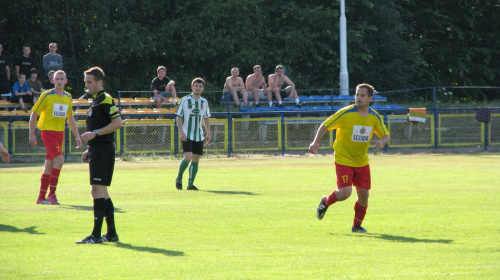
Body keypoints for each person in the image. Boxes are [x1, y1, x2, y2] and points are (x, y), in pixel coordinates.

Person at [309, 83, 390, 233]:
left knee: (364, 195)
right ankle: (325, 202)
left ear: (370, 98)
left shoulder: (374, 117)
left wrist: (381, 141)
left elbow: (386, 135)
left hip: (361, 161)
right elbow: (325, 125)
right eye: (357, 94)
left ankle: (356, 226)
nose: (358, 98)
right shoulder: (345, 113)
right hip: (343, 158)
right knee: (345, 193)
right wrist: (315, 142)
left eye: (362, 95)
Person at [76, 66, 122, 244]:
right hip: (97, 149)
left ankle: (96, 235)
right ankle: (111, 233)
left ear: (99, 82)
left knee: (97, 190)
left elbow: (117, 123)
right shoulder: (96, 100)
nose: (86, 86)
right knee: (102, 191)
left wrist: (94, 133)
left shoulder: (106, 99)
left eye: (90, 82)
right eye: (85, 82)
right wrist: (90, 147)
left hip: (103, 150)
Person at [29, 70, 82, 205]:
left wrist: (77, 136)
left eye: (61, 78)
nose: (59, 81)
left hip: (60, 133)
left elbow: (70, 118)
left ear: (66, 81)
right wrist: (31, 133)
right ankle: (52, 195)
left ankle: (41, 197)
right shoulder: (47, 95)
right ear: (53, 80)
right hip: (47, 132)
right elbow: (34, 113)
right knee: (60, 161)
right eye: (57, 78)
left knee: (49, 165)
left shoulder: (68, 97)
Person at [175, 78, 211, 191]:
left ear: (203, 88)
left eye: (200, 86)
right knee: (188, 157)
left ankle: (190, 185)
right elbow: (179, 117)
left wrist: (208, 133)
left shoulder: (204, 102)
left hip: (198, 135)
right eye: (196, 85)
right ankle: (179, 177)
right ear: (192, 87)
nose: (198, 88)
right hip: (186, 133)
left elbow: (206, 118)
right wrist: (181, 132)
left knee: (196, 158)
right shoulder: (185, 100)